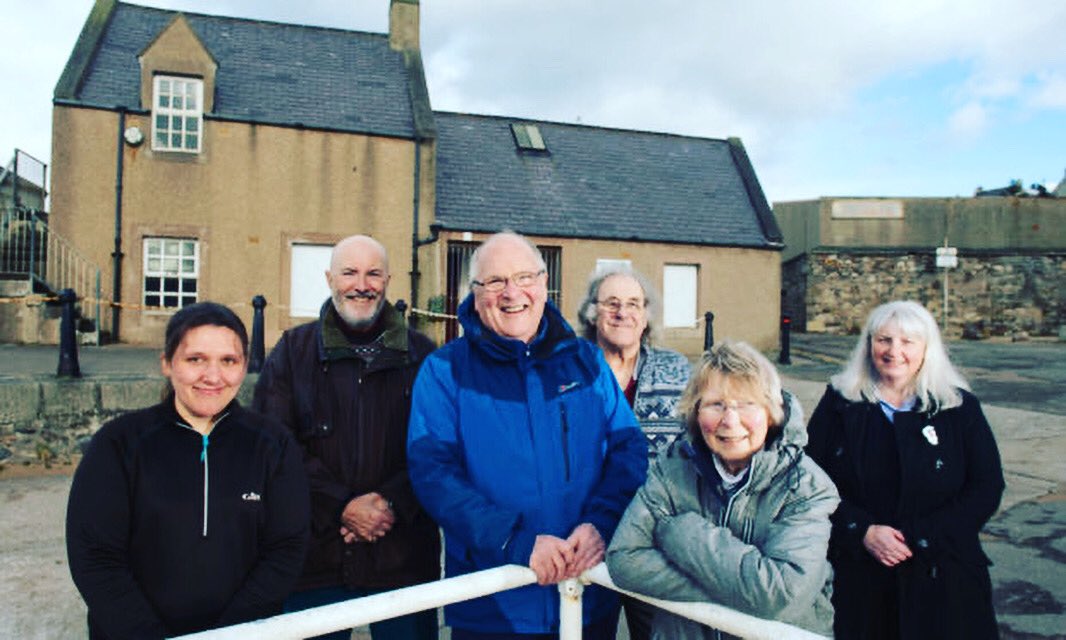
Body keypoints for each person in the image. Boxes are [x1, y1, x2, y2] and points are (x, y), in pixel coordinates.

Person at [407, 231, 648, 639]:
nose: (512, 292)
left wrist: (600, 524)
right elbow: (434, 475)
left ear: (543, 284)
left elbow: (628, 449)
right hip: (494, 605)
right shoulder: (444, 371)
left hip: (588, 596)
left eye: (524, 277)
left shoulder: (587, 362)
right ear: (475, 294)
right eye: (495, 281)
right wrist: (515, 542)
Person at [66, 302, 309, 639]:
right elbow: (95, 556)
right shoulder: (119, 444)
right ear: (167, 363)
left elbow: (286, 548)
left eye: (229, 361)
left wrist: (231, 636)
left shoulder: (273, 445)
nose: (213, 376)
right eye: (195, 359)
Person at [253, 234, 440, 640]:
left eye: (373, 273)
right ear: (329, 278)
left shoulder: (425, 356)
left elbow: (439, 448)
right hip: (314, 559)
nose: (362, 284)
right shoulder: (292, 352)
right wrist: (340, 506)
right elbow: (273, 443)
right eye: (349, 272)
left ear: (388, 279)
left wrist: (389, 503)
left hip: (403, 556)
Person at [607, 340, 838, 639]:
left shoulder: (804, 486)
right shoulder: (672, 470)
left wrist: (683, 534)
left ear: (770, 412)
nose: (730, 421)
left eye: (746, 404)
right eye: (716, 404)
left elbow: (781, 595)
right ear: (695, 411)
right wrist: (739, 590)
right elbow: (625, 560)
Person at [805, 300, 1004, 639]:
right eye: (884, 339)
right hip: (860, 577)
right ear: (869, 344)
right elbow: (810, 482)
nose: (893, 350)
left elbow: (986, 487)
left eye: (907, 341)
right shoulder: (840, 402)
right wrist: (862, 531)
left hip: (945, 578)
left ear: (927, 349)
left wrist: (918, 537)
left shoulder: (958, 407)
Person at [576, 265, 690, 639]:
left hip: (654, 544)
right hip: (586, 537)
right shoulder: (570, 371)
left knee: (657, 632)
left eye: (633, 304)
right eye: (611, 303)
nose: (622, 312)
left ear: (645, 316)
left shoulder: (677, 370)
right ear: (593, 313)